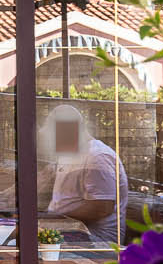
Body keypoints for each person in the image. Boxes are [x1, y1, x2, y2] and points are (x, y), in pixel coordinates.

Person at [41, 103, 128, 245]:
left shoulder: (98, 156)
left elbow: (101, 208)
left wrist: (54, 218)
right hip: (68, 229)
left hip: (96, 239)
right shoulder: (69, 154)